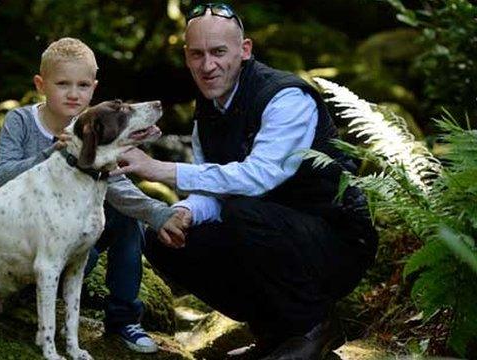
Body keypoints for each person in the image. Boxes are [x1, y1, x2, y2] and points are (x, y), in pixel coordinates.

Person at [111, 4, 378, 359]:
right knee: (163, 236)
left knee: (244, 212)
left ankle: (314, 326)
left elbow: (258, 177)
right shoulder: (207, 108)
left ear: (245, 50)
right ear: (187, 57)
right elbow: (213, 192)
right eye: (197, 55)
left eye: (219, 52)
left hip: (336, 241)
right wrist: (182, 211)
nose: (208, 66)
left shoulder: (285, 97)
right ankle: (275, 332)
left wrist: (160, 169)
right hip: (267, 229)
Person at [0, 37, 184, 354]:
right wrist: (53, 151)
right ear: (41, 84)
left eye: (83, 85)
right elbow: (1, 178)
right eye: (62, 84)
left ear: (94, 87)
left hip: (73, 238)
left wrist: (159, 213)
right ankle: (25, 299)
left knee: (125, 219)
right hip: (30, 241)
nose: (73, 93)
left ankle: (124, 319)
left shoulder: (95, 126)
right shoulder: (22, 121)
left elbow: (116, 186)